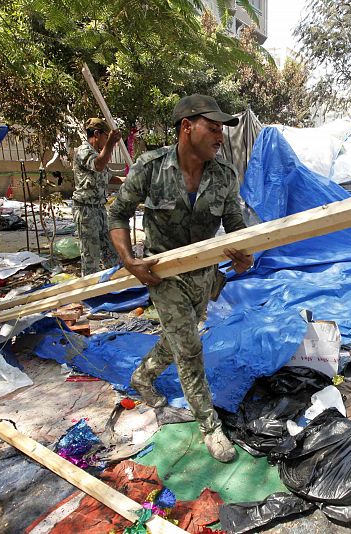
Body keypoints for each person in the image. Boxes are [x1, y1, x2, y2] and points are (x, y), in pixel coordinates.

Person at [107, 95, 252, 463]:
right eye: (213, 128)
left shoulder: (225, 175)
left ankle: (143, 376)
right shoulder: (150, 167)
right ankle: (210, 427)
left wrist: (244, 255)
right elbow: (118, 214)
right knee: (189, 348)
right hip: (162, 275)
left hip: (204, 276)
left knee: (178, 336)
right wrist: (129, 260)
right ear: (187, 127)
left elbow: (235, 226)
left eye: (222, 130)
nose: (220, 137)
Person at [73, 118, 122, 276]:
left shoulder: (98, 154)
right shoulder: (83, 151)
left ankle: (116, 287)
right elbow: (98, 165)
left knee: (112, 253)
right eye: (106, 136)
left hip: (100, 210)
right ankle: (91, 295)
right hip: (86, 211)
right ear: (96, 134)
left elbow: (109, 177)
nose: (107, 140)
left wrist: (133, 180)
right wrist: (111, 143)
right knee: (91, 258)